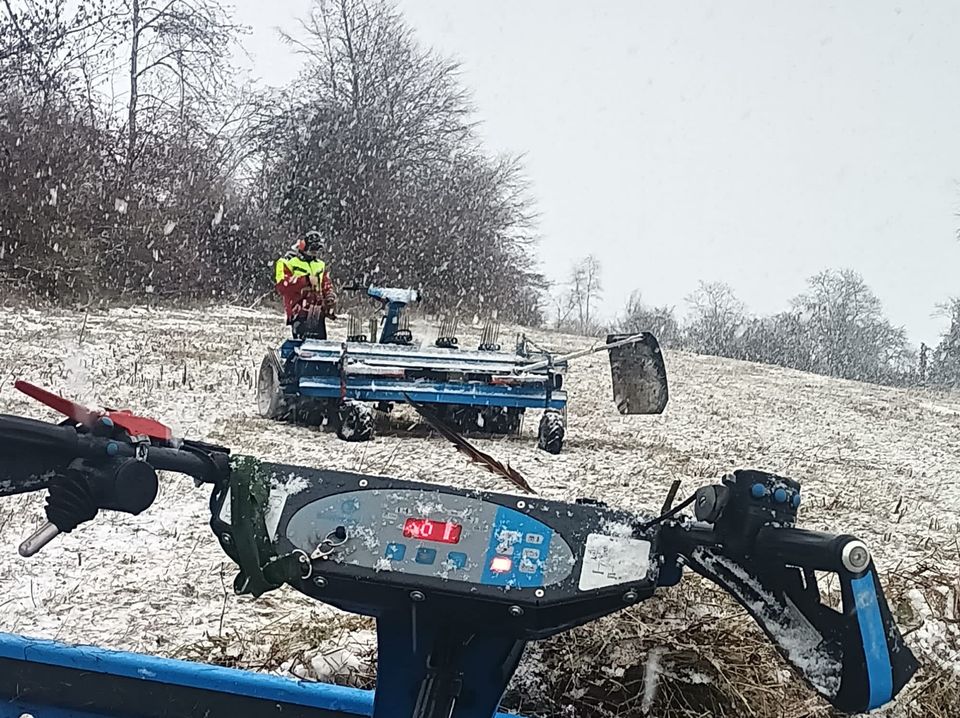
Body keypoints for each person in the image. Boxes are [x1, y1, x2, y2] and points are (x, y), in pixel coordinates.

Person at [274, 230, 337, 339]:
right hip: (299, 313)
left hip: (318, 314)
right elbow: (283, 285)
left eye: (316, 250)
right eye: (312, 249)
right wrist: (305, 280)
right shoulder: (287, 262)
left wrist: (329, 297)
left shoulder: (320, 265)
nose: (314, 253)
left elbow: (326, 284)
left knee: (320, 348)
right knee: (303, 348)